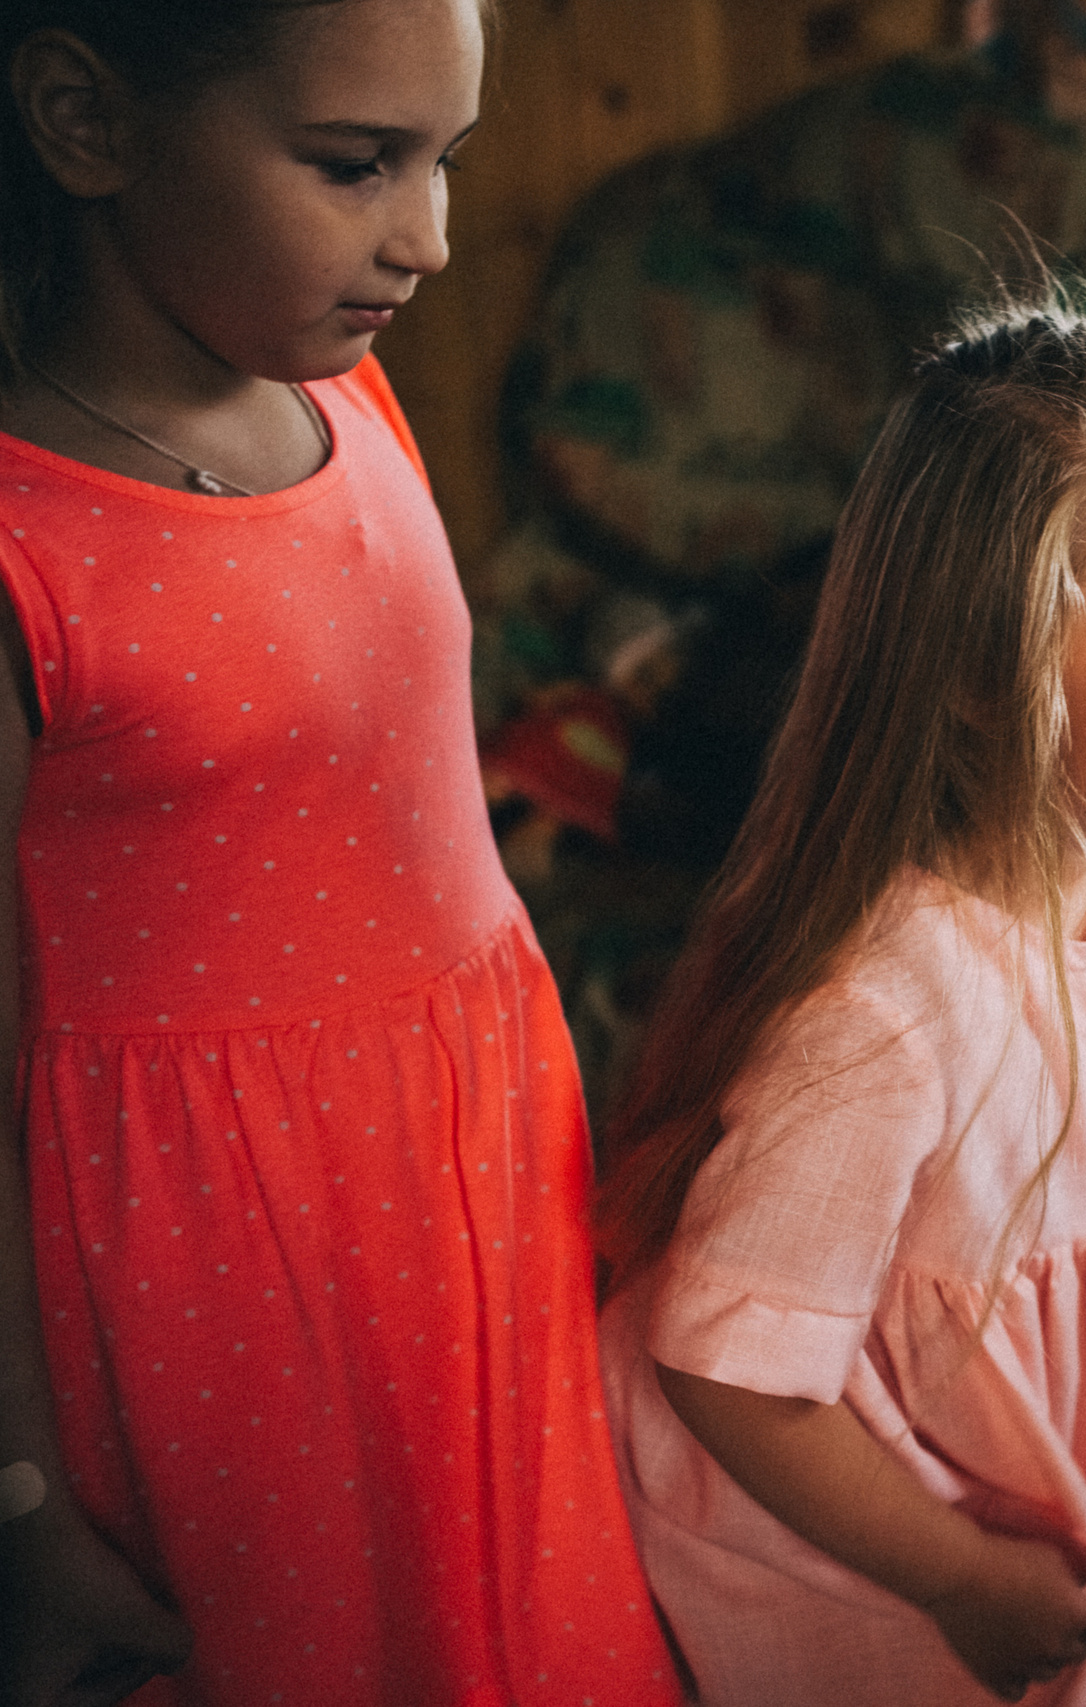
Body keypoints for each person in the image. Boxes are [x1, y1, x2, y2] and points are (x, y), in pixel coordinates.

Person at [0, 3, 682, 1701]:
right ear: (84, 121)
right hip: (225, 1275)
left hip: (472, 1178)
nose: (428, 238)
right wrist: (18, 1505)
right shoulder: (25, 548)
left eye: (443, 163)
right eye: (353, 165)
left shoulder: (352, 396)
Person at [590, 291, 1086, 1707]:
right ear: (989, 669)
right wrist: (956, 1576)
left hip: (1002, 1449)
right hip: (855, 1535)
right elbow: (732, 1374)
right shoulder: (888, 1017)